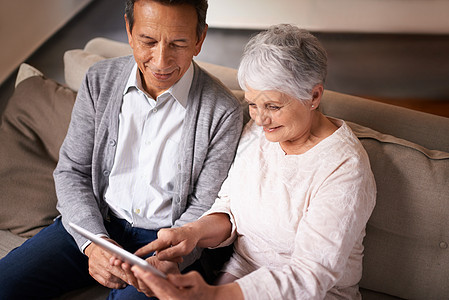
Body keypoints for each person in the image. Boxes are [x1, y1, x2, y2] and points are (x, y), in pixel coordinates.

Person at [0, 0, 242, 299]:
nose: (161, 60)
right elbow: (72, 170)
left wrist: (168, 257)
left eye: (178, 43)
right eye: (148, 41)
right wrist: (93, 243)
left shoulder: (223, 111)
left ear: (199, 39)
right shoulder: (99, 79)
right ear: (129, 30)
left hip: (163, 245)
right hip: (95, 223)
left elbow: (203, 206)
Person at [126, 24, 377, 299]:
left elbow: (310, 276)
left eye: (272, 106)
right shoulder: (259, 133)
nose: (259, 118)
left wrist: (214, 296)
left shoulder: (344, 167)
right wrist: (192, 233)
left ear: (314, 96)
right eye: (253, 104)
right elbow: (229, 206)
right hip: (241, 275)